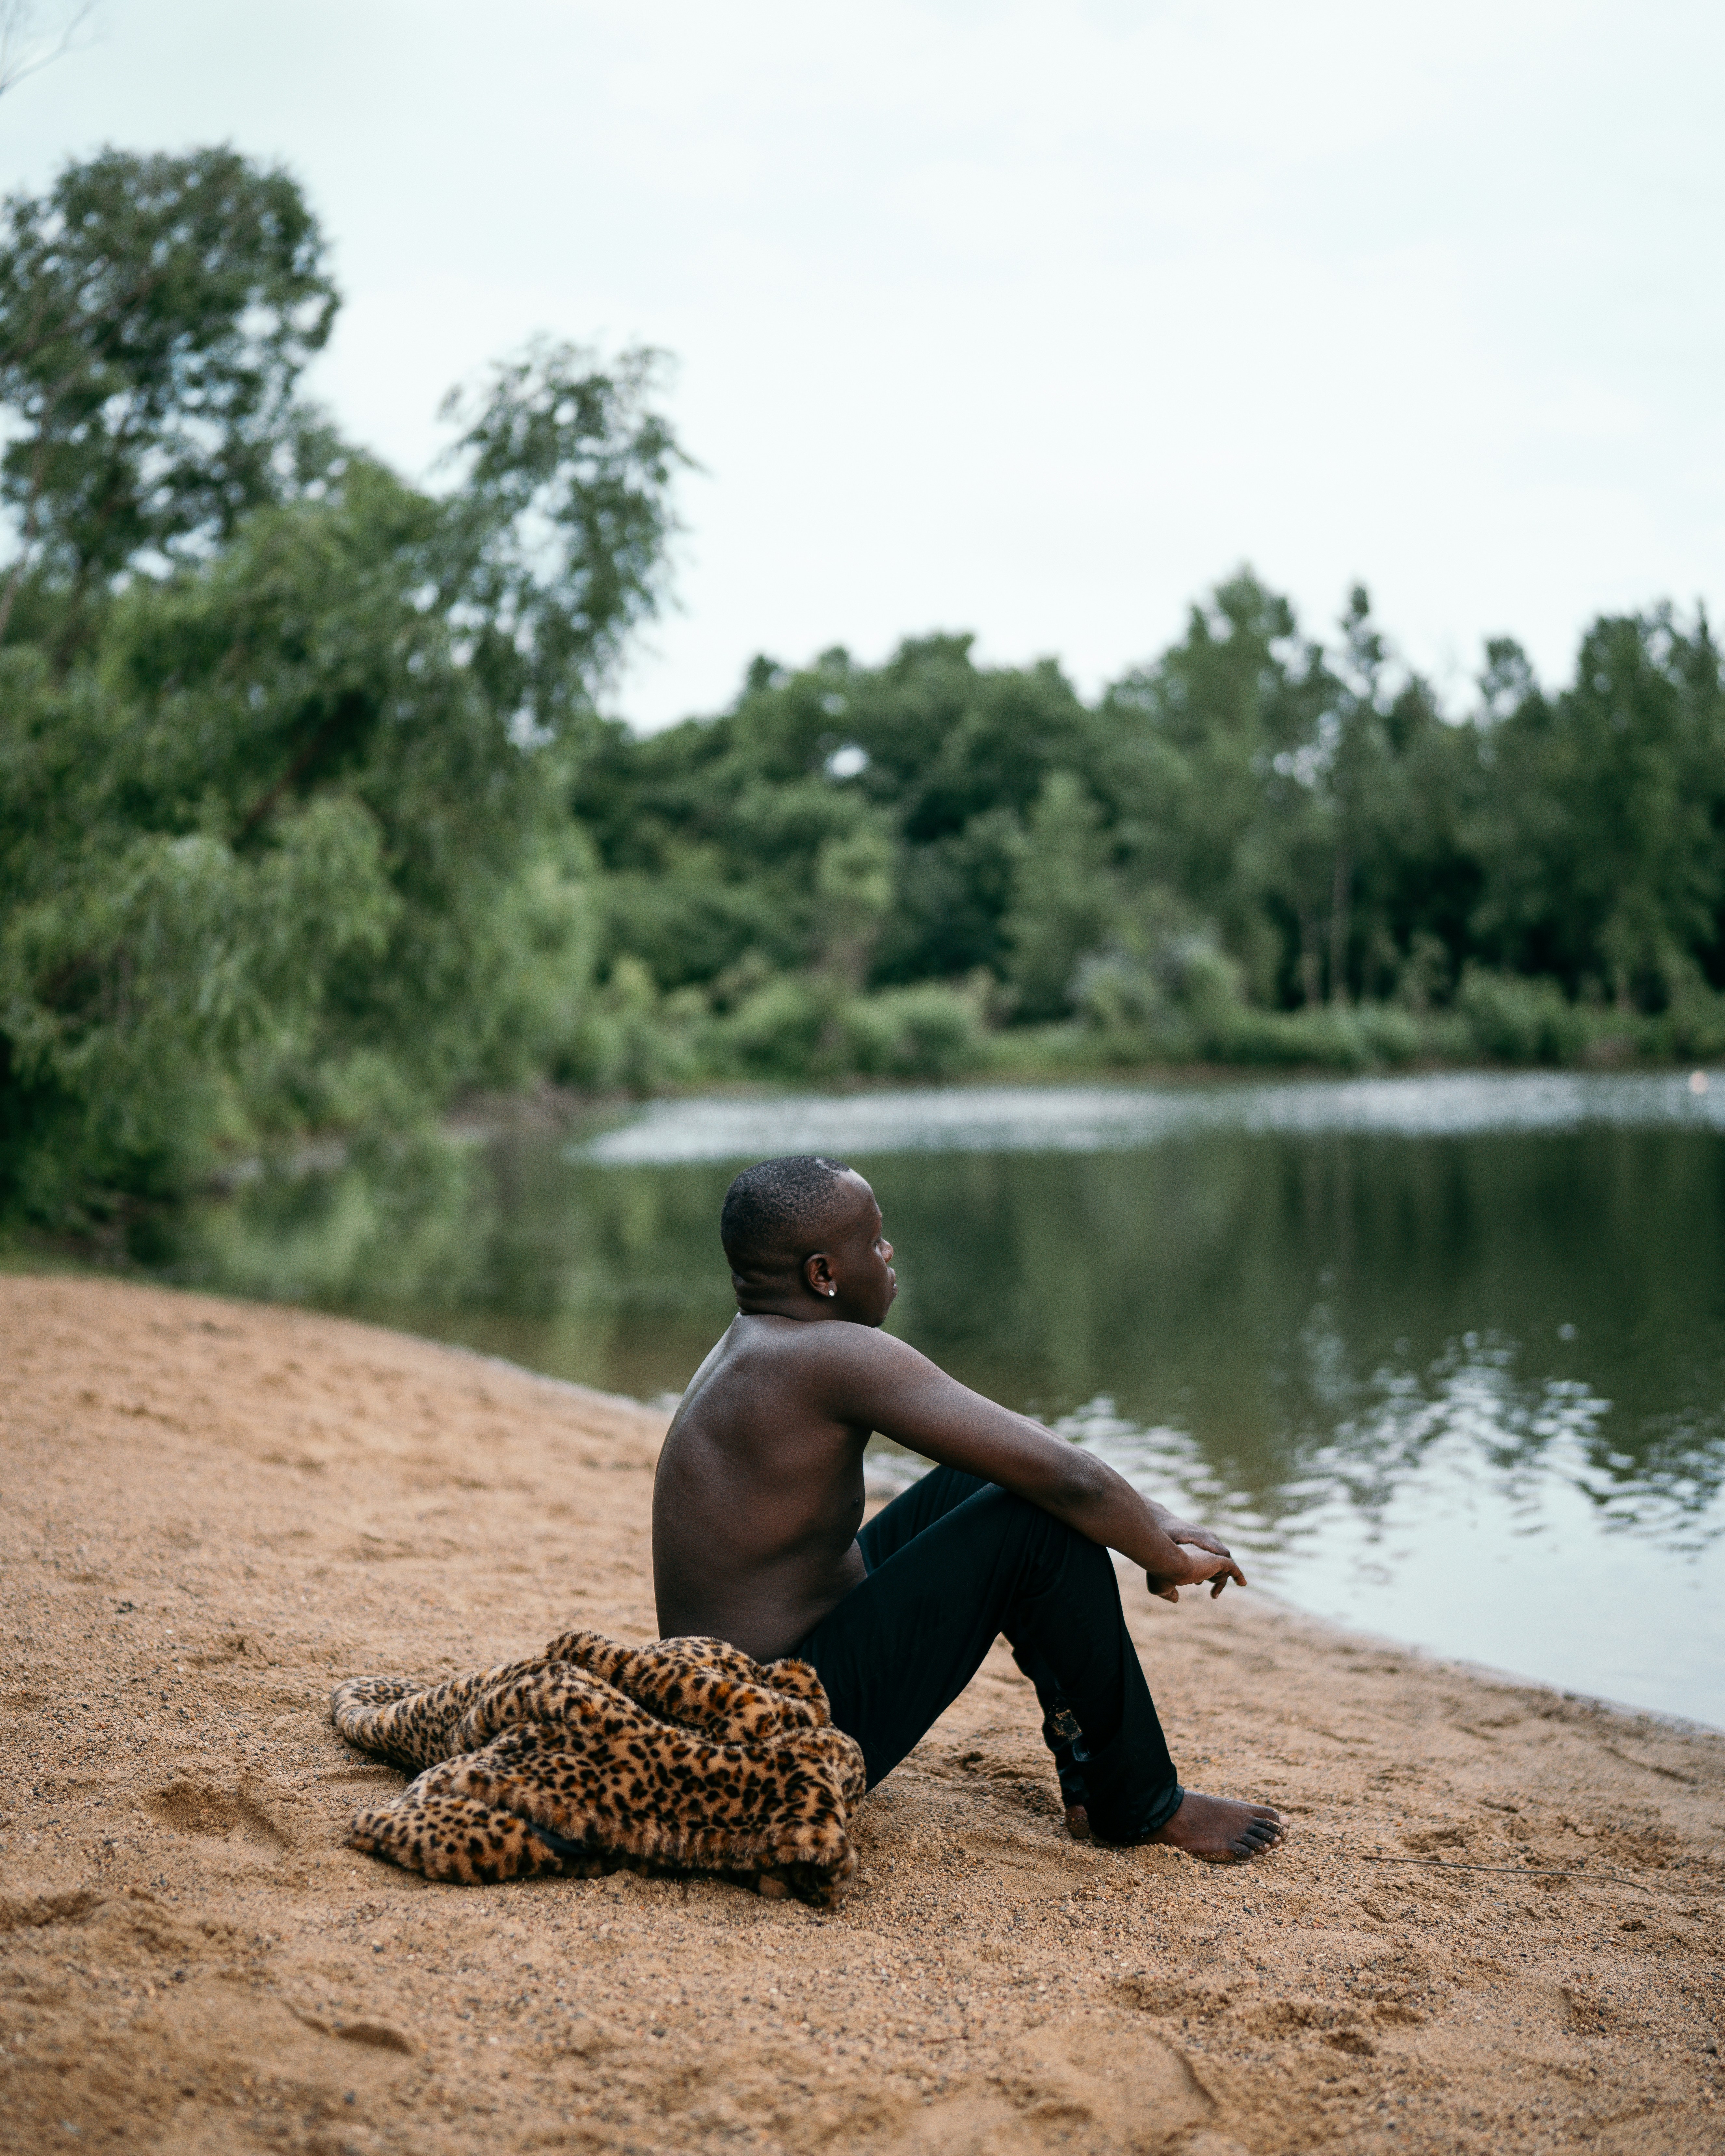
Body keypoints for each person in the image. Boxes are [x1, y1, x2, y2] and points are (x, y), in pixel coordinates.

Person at [651, 1154, 1286, 1862]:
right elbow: (1069, 1483)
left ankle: (1092, 1772)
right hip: (771, 1743)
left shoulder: (764, 1344)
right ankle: (1137, 1802)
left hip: (733, 1703)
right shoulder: (830, 1356)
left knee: (982, 1483)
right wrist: (1164, 1557)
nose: (890, 1254)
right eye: (875, 1241)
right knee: (1032, 1520)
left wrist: (1152, 1512)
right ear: (823, 1274)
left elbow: (1018, 1443)